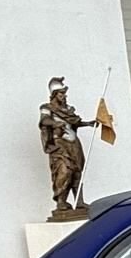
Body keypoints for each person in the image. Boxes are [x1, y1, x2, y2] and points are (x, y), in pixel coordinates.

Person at [39, 77, 96, 218]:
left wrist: (88, 124)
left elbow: (75, 122)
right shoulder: (47, 108)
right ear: (54, 95)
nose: (63, 96)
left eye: (64, 94)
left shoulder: (68, 110)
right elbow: (44, 120)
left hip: (74, 144)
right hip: (60, 145)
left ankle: (79, 201)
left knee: (77, 170)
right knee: (64, 170)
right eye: (60, 94)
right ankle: (61, 202)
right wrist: (54, 124)